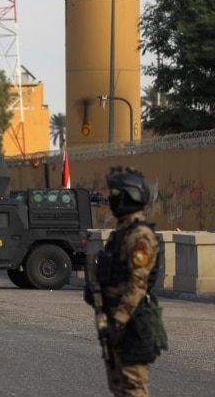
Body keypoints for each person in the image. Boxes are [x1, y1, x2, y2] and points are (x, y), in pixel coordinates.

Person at [86, 166, 166, 396]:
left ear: (131, 196)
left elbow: (137, 284)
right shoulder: (122, 232)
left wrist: (119, 324)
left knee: (133, 386)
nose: (111, 200)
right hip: (113, 318)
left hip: (130, 322)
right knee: (118, 386)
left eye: (116, 195)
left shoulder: (140, 236)